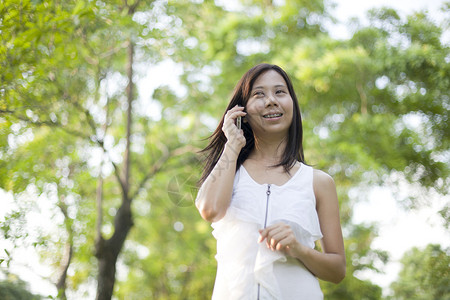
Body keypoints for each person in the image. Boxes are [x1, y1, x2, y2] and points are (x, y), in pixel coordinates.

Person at [195, 63, 346, 299]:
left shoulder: (318, 182)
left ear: (292, 104)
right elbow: (210, 210)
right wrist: (232, 146)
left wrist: (299, 249)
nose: (271, 101)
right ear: (242, 110)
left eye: (280, 92)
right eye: (259, 94)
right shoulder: (229, 172)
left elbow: (337, 271)